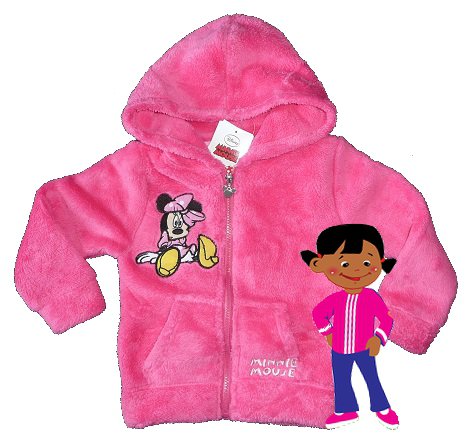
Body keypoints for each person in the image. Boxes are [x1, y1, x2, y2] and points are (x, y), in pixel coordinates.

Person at [301, 224, 399, 430]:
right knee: (341, 380)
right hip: (339, 348)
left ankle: (382, 408)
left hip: (365, 348)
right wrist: (328, 333)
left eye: (366, 263)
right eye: (344, 263)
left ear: (380, 263)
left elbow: (386, 319)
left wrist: (378, 338)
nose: (356, 269)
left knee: (372, 379)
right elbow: (318, 313)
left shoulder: (371, 297)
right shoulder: (335, 299)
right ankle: (346, 410)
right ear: (320, 264)